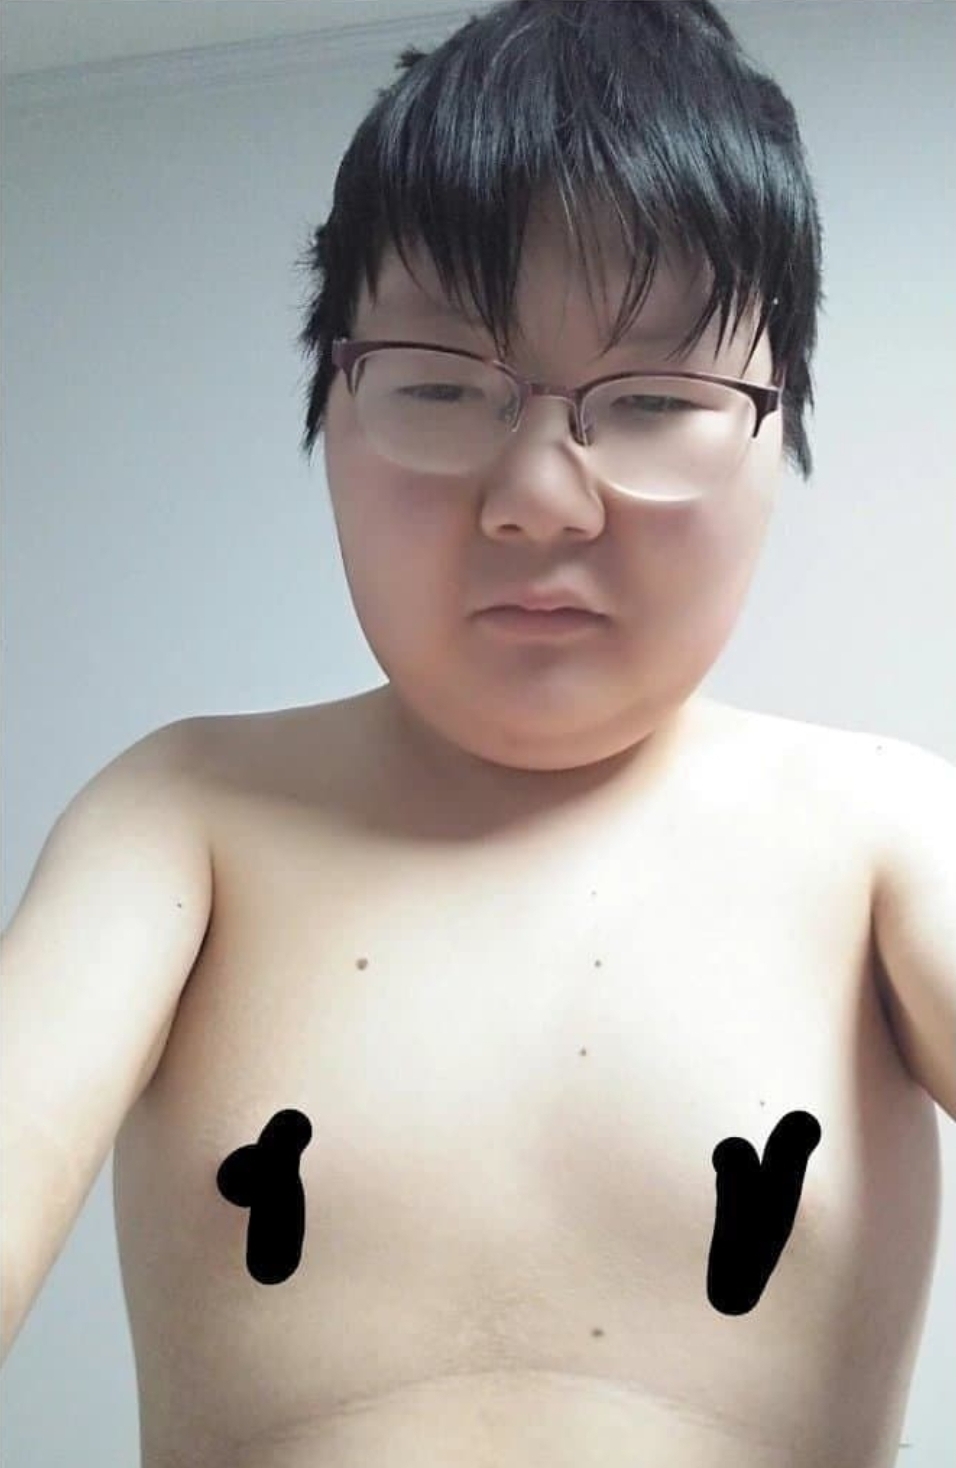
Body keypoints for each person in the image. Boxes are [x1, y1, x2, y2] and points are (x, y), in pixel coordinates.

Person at [2, 2, 953, 1464]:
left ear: (781, 429)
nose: (539, 500)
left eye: (656, 399)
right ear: (331, 405)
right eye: (440, 385)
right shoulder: (182, 814)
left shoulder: (890, 830)